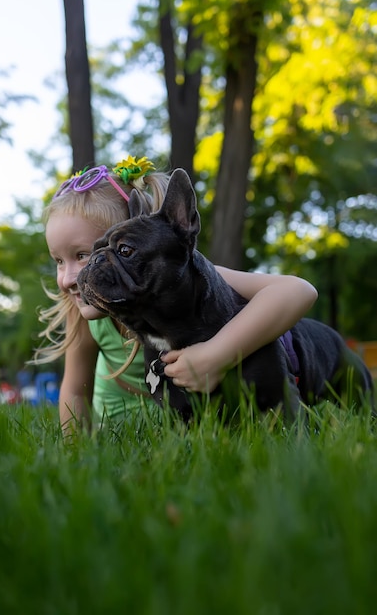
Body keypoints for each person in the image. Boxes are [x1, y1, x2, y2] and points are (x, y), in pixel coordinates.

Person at [33, 155, 318, 434]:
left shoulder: (195, 278)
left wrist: (218, 355)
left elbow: (297, 291)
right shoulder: (84, 310)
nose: (69, 278)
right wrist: (75, 451)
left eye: (83, 255)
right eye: (58, 261)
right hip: (122, 434)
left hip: (190, 429)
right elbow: (75, 391)